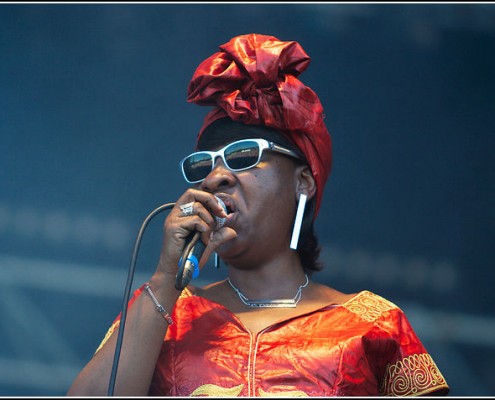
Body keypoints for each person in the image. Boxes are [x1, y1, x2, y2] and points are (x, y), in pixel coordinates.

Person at [67, 33, 449, 397]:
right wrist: (167, 278)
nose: (216, 177)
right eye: (205, 165)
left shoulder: (373, 325)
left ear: (304, 181)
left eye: (243, 155)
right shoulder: (168, 316)